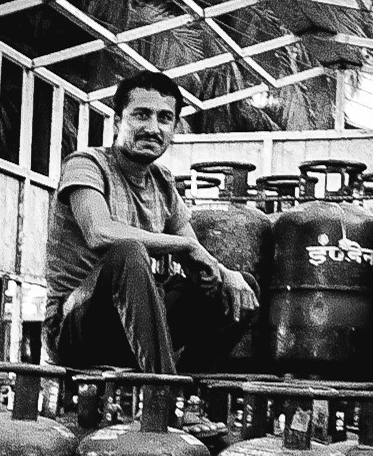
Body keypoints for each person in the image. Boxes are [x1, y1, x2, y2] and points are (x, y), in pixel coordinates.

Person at [42, 70, 257, 372]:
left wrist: (225, 274)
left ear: (173, 129)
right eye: (141, 115)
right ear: (118, 121)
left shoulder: (163, 182)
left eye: (164, 118)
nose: (153, 128)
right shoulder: (86, 164)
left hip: (134, 325)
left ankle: (190, 385)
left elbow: (196, 258)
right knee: (127, 253)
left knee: (238, 288)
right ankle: (163, 389)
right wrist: (185, 246)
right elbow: (99, 232)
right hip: (75, 326)